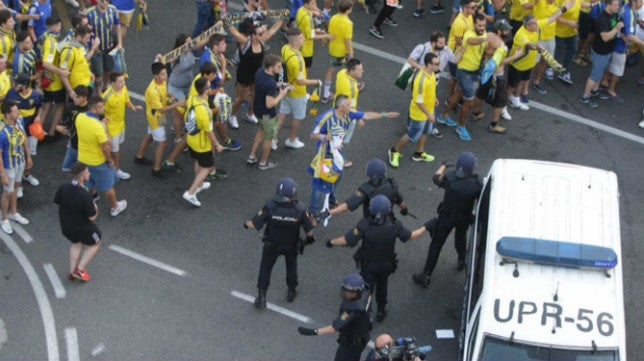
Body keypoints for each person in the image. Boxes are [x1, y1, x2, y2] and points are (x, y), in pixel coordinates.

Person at [326, 195, 424, 322]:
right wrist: (426, 227)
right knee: (383, 286)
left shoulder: (365, 225)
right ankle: (381, 311)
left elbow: (347, 240)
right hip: (387, 265)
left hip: (368, 266)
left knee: (367, 290)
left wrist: (331, 242)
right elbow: (411, 236)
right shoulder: (395, 225)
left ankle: (365, 312)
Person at [309, 95, 398, 215]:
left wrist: (384, 114)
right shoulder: (326, 117)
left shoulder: (349, 113)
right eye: (347, 104)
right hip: (324, 152)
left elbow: (366, 115)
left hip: (337, 151)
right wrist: (326, 137)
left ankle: (331, 198)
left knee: (338, 176)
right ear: (340, 106)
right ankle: (312, 212)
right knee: (320, 182)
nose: (350, 106)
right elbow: (313, 135)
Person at [412, 152, 483, 288]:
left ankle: (426, 275)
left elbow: (436, 178)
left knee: (437, 244)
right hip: (464, 217)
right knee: (460, 237)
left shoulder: (450, 179)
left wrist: (443, 166)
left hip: (446, 217)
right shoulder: (477, 184)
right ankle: (462, 260)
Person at [244, 177, 315, 308]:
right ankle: (291, 292)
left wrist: (245, 224)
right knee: (291, 267)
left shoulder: (271, 206)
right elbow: (309, 230)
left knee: (265, 268)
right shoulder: (300, 209)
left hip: (272, 244)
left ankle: (262, 297)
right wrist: (309, 240)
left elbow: (253, 224)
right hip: (291, 245)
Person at [297, 273, 372, 361]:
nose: (347, 293)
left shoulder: (352, 310)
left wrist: (313, 332)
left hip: (351, 345)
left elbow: (334, 327)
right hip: (363, 336)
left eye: (350, 292)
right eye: (346, 290)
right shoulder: (366, 293)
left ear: (358, 291)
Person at [75, 96, 128, 217]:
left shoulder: (80, 117)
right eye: (101, 106)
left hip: (82, 158)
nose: (104, 108)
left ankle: (93, 197)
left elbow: (88, 132)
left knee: (88, 182)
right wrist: (110, 160)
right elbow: (106, 145)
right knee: (108, 186)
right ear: (95, 108)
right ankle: (115, 207)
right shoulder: (98, 126)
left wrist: (101, 123)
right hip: (98, 162)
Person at [388, 52, 441, 168]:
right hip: (420, 114)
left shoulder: (432, 74)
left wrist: (435, 98)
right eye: (436, 64)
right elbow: (418, 100)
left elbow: (430, 90)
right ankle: (394, 151)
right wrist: (429, 115)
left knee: (426, 132)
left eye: (439, 63)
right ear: (428, 64)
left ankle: (419, 153)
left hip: (429, 111)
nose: (439, 66)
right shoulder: (421, 80)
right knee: (412, 135)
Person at [227, 19, 283, 128]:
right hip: (244, 75)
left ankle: (250, 114)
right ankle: (232, 115)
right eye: (260, 33)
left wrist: (282, 17)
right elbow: (234, 32)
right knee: (242, 98)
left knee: (255, 96)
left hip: (256, 74)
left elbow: (273, 29)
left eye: (263, 33)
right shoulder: (245, 42)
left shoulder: (262, 40)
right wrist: (226, 21)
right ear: (252, 35)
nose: (263, 35)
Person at [134, 62, 185, 178]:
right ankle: (156, 169)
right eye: (162, 74)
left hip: (157, 116)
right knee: (163, 143)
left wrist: (168, 95)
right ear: (155, 76)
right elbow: (161, 110)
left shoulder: (162, 81)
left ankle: (139, 156)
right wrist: (177, 104)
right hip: (156, 118)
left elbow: (163, 93)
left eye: (166, 73)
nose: (165, 76)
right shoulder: (152, 91)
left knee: (150, 135)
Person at [317, 158, 409, 223]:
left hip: (371, 223)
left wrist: (329, 212)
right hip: (389, 221)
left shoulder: (365, 190)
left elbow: (347, 205)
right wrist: (404, 210)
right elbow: (401, 202)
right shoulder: (391, 184)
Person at [54, 163, 102, 282]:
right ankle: (79, 270)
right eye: (87, 172)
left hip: (66, 227)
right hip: (82, 228)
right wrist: (96, 209)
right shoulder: (85, 196)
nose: (89, 173)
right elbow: (92, 217)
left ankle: (72, 273)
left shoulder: (63, 187)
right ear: (82, 177)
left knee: (76, 244)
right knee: (96, 242)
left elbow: (56, 203)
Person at [181, 77, 224, 207]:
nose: (210, 88)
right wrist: (217, 145)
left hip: (192, 140)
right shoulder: (204, 111)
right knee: (206, 167)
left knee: (198, 161)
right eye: (209, 87)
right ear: (205, 90)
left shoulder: (194, 99)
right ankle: (190, 192)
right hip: (202, 144)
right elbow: (209, 131)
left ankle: (199, 184)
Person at [277, 28, 322, 149]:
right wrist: (316, 81)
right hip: (297, 93)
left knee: (282, 113)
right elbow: (300, 81)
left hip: (286, 88)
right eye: (302, 38)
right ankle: (292, 139)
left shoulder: (285, 48)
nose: (304, 39)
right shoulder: (299, 60)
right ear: (296, 41)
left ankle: (273, 138)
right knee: (298, 117)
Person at [246, 54, 289, 170]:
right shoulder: (270, 83)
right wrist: (282, 94)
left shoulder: (260, 72)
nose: (281, 69)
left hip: (257, 109)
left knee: (261, 130)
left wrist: (279, 84)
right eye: (279, 66)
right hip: (267, 114)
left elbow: (263, 85)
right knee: (268, 138)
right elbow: (270, 103)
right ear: (271, 68)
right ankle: (263, 163)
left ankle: (252, 155)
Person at [579, 0, 623, 108]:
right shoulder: (602, 19)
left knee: (601, 72)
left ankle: (595, 91)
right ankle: (585, 97)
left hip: (607, 51)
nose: (618, 7)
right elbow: (605, 37)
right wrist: (617, 28)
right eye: (615, 5)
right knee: (595, 75)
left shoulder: (614, 14)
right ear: (608, 5)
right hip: (600, 52)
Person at [102, 71, 142, 180]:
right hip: (111, 128)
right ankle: (115, 170)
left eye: (123, 81)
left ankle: (112, 167)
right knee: (114, 151)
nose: (123, 83)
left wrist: (133, 107)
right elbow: (99, 111)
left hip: (121, 125)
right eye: (120, 81)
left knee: (117, 148)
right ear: (113, 83)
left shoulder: (124, 89)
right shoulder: (106, 96)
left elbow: (126, 100)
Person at [4, 73, 41, 190]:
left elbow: (40, 106)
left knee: (29, 152)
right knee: (16, 154)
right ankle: (17, 183)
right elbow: (5, 108)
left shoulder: (35, 95)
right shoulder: (11, 93)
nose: (14, 85)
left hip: (30, 129)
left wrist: (38, 116)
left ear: (25, 86)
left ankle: (27, 174)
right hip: (15, 130)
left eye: (17, 83)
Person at [0, 101, 31, 234]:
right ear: (7, 114)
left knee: (16, 187)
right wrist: (3, 174)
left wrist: (28, 156)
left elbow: (24, 139)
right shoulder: (1, 131)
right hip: (8, 166)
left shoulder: (19, 123)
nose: (18, 112)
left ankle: (14, 213)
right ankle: (4, 219)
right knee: (7, 192)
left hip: (19, 162)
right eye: (14, 111)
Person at [37, 15, 68, 138]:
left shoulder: (43, 37)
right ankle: (52, 132)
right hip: (54, 81)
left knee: (46, 106)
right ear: (54, 27)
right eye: (59, 25)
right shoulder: (51, 41)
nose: (60, 27)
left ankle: (37, 135)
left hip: (46, 77)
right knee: (60, 105)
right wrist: (61, 72)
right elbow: (47, 62)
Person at [87, 0, 122, 94]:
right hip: (96, 49)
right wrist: (92, 45)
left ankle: (105, 86)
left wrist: (120, 43)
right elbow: (87, 31)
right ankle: (99, 93)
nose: (105, 3)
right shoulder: (90, 13)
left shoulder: (113, 10)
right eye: (102, 1)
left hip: (109, 46)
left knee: (108, 69)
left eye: (107, 0)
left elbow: (118, 25)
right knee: (98, 73)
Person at [322, 0, 354, 103]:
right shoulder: (348, 23)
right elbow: (347, 40)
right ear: (348, 10)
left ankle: (326, 93)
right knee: (350, 68)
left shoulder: (333, 18)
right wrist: (351, 54)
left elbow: (330, 32)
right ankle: (351, 87)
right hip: (342, 52)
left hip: (333, 49)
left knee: (330, 69)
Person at [59, 25, 99, 97]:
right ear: (79, 37)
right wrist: (71, 91)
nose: (89, 40)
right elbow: (63, 74)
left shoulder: (79, 46)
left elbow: (82, 62)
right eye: (87, 38)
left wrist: (89, 73)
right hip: (78, 89)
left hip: (87, 83)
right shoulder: (68, 51)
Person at [296, 0, 334, 70]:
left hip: (299, 43)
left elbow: (304, 27)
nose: (315, 5)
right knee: (304, 69)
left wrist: (315, 30)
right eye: (313, 3)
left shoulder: (301, 10)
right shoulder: (308, 18)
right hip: (306, 50)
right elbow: (311, 36)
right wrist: (326, 36)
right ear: (306, 4)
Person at [60, 85, 90, 173]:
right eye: (74, 96)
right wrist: (58, 127)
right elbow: (65, 122)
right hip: (73, 142)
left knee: (82, 170)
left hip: (86, 145)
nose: (75, 99)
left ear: (85, 98)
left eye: (78, 97)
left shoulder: (91, 109)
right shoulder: (69, 107)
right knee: (65, 167)